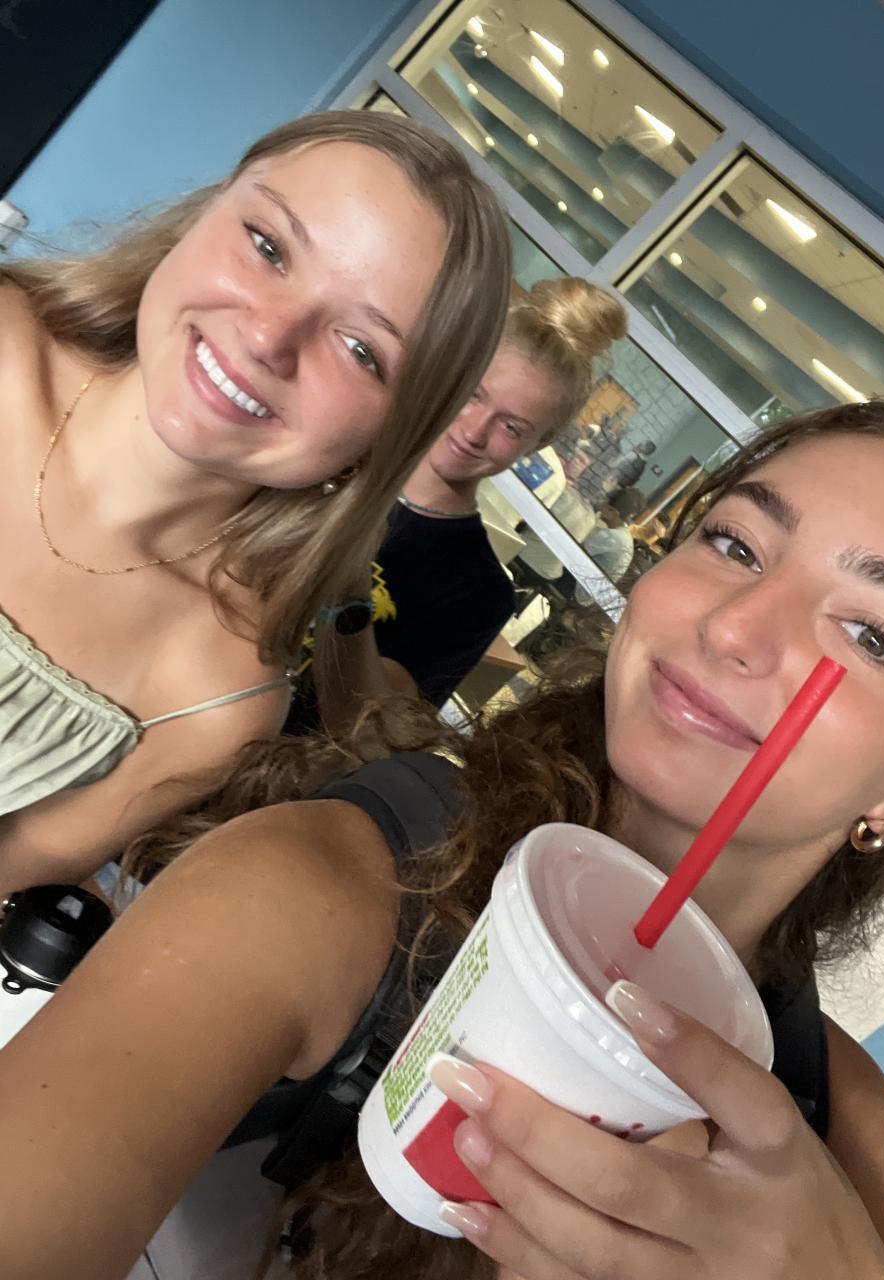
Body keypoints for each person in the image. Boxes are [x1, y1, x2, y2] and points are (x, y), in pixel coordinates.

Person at [3, 400, 884, 1280]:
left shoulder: (829, 1114)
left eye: (873, 637)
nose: (735, 627)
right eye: (735, 543)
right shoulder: (331, 887)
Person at [0, 111, 510, 897]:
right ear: (204, 212)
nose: (271, 337)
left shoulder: (218, 698)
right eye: (269, 247)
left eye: (362, 351)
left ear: (388, 437)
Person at [286, 279, 627, 728]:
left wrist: (346, 601)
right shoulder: (332, 454)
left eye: (510, 427)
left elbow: (368, 726)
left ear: (538, 445)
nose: (474, 431)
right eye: (473, 395)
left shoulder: (478, 593)